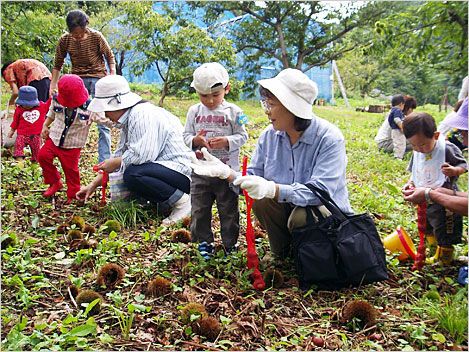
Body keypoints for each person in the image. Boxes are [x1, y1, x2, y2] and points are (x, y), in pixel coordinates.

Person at [191, 68, 352, 260]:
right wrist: (228, 173)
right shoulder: (269, 136)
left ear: (291, 107)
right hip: (287, 207)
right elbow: (254, 174)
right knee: (262, 202)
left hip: (325, 215)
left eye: (271, 104)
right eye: (265, 103)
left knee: (301, 216)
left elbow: (320, 192)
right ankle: (283, 253)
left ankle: (314, 255)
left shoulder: (329, 139)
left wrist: (273, 189)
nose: (266, 110)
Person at [76, 75, 192, 225]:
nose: (105, 115)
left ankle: (182, 202)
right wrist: (94, 184)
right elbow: (121, 153)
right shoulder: (131, 118)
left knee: (133, 174)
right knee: (131, 171)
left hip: (183, 172)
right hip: (168, 172)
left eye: (106, 109)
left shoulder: (142, 114)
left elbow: (141, 155)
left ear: (117, 104)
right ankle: (163, 203)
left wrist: (117, 163)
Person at [183, 62, 248, 258]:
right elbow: (185, 136)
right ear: (196, 93)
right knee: (199, 209)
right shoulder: (194, 112)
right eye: (204, 96)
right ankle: (204, 242)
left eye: (215, 95)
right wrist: (195, 140)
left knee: (228, 210)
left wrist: (227, 141)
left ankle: (230, 244)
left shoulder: (235, 113)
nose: (210, 101)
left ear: (226, 89)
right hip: (200, 171)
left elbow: (243, 136)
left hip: (226, 172)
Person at [50, 9, 116, 163]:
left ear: (86, 26)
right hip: (77, 81)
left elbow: (109, 56)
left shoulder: (96, 36)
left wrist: (112, 75)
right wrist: (53, 85)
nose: (78, 37)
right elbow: (57, 64)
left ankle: (104, 159)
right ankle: (69, 151)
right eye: (75, 34)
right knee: (73, 117)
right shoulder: (65, 40)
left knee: (101, 119)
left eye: (80, 34)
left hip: (98, 78)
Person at [402, 112, 467, 265]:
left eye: (423, 144)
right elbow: (416, 171)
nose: (418, 149)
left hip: (446, 202)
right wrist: (410, 183)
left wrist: (454, 170)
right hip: (425, 199)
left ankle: (444, 258)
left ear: (436, 136)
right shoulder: (417, 152)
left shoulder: (447, 149)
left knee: (444, 229)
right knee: (428, 225)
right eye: (414, 145)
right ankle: (433, 248)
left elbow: (463, 165)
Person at [37, 74, 111, 204]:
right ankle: (54, 182)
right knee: (42, 156)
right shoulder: (56, 99)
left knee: (71, 170)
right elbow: (51, 112)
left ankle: (74, 193)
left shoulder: (90, 108)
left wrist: (121, 122)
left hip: (73, 145)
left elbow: (104, 119)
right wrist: (45, 125)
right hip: (55, 138)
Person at [8, 86, 51, 163]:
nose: (27, 106)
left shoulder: (41, 106)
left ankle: (35, 161)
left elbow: (49, 105)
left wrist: (53, 97)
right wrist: (12, 130)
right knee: (18, 145)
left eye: (29, 104)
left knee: (36, 149)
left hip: (36, 134)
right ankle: (19, 160)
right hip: (22, 134)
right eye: (24, 104)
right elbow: (15, 121)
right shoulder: (19, 109)